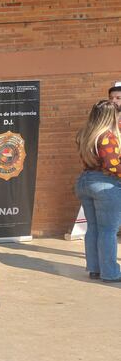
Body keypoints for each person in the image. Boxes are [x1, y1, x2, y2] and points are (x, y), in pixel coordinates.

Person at [74, 100, 121, 283]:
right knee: (108, 230)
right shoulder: (108, 136)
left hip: (85, 181)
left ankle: (94, 268)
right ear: (111, 116)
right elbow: (113, 165)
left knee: (93, 228)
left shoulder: (84, 133)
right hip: (105, 184)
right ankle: (110, 272)